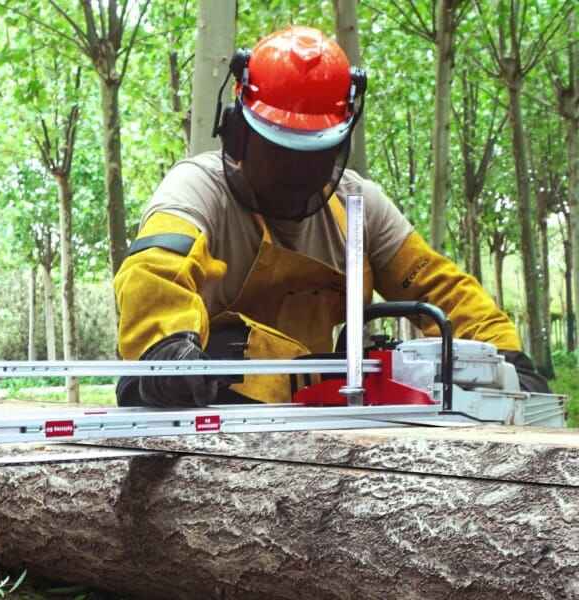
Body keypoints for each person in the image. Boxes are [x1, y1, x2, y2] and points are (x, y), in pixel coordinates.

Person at [113, 26, 548, 408]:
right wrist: (168, 348)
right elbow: (153, 273)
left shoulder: (359, 206)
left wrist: (506, 358)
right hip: (207, 402)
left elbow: (441, 289)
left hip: (317, 408)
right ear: (237, 133)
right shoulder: (196, 189)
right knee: (225, 349)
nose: (294, 173)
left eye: (310, 156)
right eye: (278, 152)